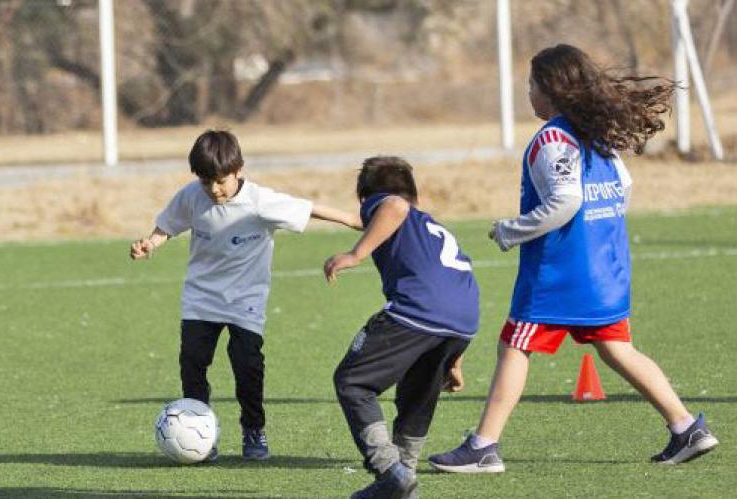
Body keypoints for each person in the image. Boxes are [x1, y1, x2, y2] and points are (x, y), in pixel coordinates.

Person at [428, 44, 719, 473]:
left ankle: (482, 447)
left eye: (531, 85)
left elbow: (566, 200)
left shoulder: (553, 138)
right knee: (617, 348)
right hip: (605, 269)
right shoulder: (597, 135)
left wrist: (512, 229)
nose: (528, 94)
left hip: (560, 274)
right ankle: (686, 427)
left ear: (550, 89)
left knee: (514, 345)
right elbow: (623, 186)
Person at [130, 129, 361, 461]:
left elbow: (307, 208)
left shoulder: (259, 201)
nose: (213, 189)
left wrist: (351, 220)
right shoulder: (192, 196)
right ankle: (201, 435)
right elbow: (168, 224)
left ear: (238, 169)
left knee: (247, 366)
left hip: (245, 300)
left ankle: (254, 429)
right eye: (206, 181)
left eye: (220, 181)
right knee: (192, 363)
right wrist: (150, 243)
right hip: (201, 297)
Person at [324, 156, 479, 499]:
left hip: (418, 311)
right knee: (417, 396)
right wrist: (454, 359)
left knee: (352, 382)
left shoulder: (387, 203)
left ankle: (389, 471)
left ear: (365, 199)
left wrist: (356, 254)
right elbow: (452, 286)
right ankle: (404, 479)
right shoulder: (429, 226)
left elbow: (393, 204)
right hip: (462, 321)